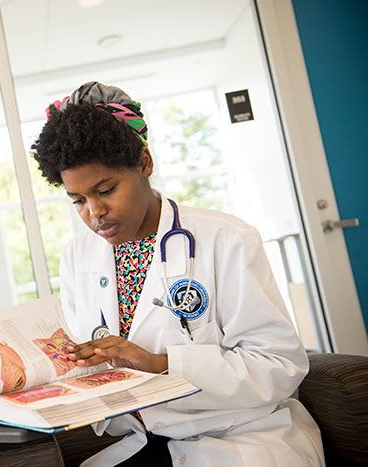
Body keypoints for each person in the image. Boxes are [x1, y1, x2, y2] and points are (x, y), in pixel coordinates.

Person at [31, 81, 324, 466]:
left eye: (105, 189)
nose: (94, 212)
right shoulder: (77, 255)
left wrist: (161, 363)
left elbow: (278, 366)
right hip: (143, 440)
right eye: (78, 201)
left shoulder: (226, 239)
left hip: (237, 438)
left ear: (144, 164)